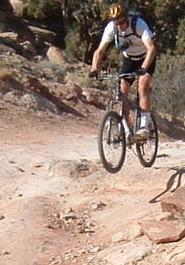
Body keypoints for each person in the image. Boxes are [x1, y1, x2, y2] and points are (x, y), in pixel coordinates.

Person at [89, 2, 156, 140]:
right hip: (130, 59)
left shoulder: (138, 24)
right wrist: (94, 68)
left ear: (127, 17)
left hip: (146, 58)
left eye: (122, 22)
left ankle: (143, 127)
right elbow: (100, 50)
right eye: (116, 23)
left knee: (142, 86)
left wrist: (143, 68)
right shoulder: (111, 28)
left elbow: (151, 49)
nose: (120, 26)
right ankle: (126, 128)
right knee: (122, 92)